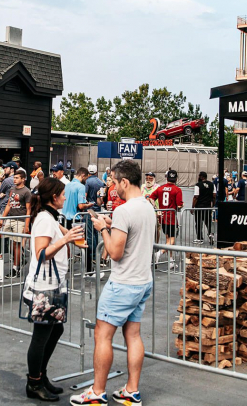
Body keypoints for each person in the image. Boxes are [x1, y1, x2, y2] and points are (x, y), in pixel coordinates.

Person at [72, 160, 155, 406]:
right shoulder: (148, 206)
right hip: (142, 280)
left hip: (123, 283)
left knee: (103, 335)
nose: (112, 186)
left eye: (115, 182)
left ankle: (97, 393)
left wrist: (102, 229)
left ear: (125, 182)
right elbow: (136, 234)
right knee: (133, 335)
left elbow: (115, 253)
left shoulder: (124, 210)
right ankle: (132, 390)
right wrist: (112, 225)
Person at [25, 177, 85, 402]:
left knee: (55, 329)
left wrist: (70, 238)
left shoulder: (51, 217)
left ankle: (41, 376)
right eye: (62, 194)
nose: (65, 197)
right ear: (53, 197)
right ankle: (33, 382)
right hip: (43, 287)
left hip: (53, 284)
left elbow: (58, 234)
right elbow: (41, 253)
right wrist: (66, 239)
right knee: (41, 335)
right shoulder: (44, 219)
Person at [0, 168, 32, 279]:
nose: (14, 180)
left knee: (17, 245)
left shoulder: (26, 192)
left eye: (17, 178)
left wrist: (26, 225)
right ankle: (19, 261)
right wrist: (2, 219)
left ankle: (15, 268)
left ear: (23, 179)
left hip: (20, 220)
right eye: (14, 177)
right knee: (11, 244)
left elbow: (28, 210)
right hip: (10, 218)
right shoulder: (12, 189)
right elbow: (9, 204)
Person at [149, 169, 183, 268]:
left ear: (166, 178)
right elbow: (179, 205)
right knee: (172, 239)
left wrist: (156, 208)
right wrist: (182, 205)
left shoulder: (160, 188)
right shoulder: (177, 190)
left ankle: (171, 260)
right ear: (176, 179)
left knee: (168, 238)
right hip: (171, 217)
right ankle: (159, 253)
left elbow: (151, 198)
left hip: (163, 217)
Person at [192, 171, 216, 245]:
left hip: (199, 207)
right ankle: (211, 235)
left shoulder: (198, 185)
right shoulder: (212, 184)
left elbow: (196, 196)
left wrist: (192, 207)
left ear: (201, 177)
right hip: (208, 207)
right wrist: (212, 205)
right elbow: (214, 195)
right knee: (208, 222)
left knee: (199, 223)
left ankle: (199, 238)